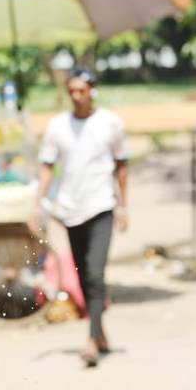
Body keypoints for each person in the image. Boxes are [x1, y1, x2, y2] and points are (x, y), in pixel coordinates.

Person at [29, 67, 129, 367]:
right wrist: (37, 205)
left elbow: (122, 166)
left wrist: (123, 206)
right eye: (71, 91)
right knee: (84, 274)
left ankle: (91, 341)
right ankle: (100, 331)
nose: (76, 96)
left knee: (96, 273)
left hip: (101, 207)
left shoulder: (111, 123)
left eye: (81, 91)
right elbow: (48, 167)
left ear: (92, 91)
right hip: (70, 210)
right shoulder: (58, 126)